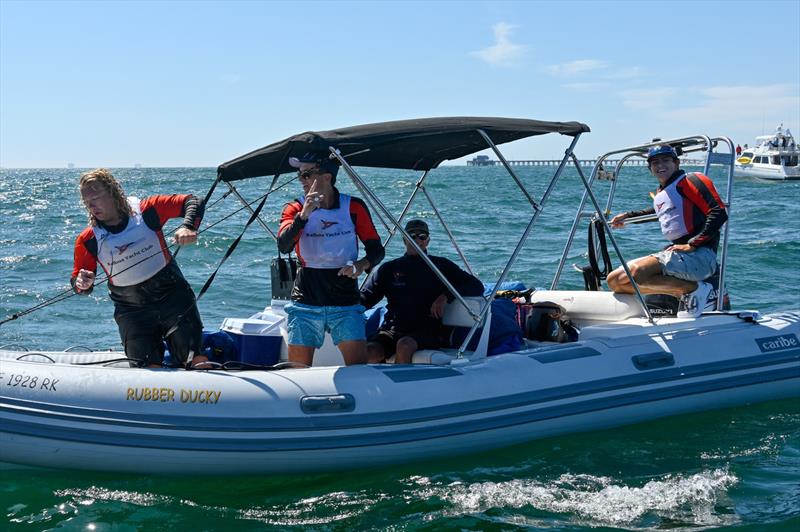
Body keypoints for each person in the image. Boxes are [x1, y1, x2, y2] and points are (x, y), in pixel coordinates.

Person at [71, 168, 207, 368]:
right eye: (86, 202)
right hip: (131, 309)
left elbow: (193, 201)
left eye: (96, 198)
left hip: (173, 297)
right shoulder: (88, 239)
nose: (91, 206)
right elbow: (78, 282)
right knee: (148, 370)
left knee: (194, 361)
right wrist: (82, 283)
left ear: (113, 192)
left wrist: (189, 226)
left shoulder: (148, 210)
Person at [277, 152, 385, 367]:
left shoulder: (353, 207)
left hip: (345, 300)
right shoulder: (295, 208)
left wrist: (361, 264)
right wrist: (304, 216)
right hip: (306, 301)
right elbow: (283, 246)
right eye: (300, 176)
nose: (302, 180)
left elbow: (376, 250)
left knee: (357, 370)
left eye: (307, 175)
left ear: (327, 176)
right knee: (298, 373)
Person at [606, 145, 728, 318]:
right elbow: (661, 211)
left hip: (701, 256)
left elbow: (719, 212)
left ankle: (698, 289)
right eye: (655, 162)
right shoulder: (664, 191)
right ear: (650, 169)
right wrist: (628, 216)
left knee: (637, 273)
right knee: (615, 281)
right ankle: (680, 293)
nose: (660, 165)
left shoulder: (691, 180)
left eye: (665, 160)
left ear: (676, 163)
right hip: (678, 254)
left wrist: (693, 244)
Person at [361, 219, 485, 364]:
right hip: (394, 328)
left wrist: (445, 296)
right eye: (412, 236)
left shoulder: (440, 266)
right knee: (369, 351)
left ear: (428, 241)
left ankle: (401, 385)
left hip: (427, 330)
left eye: (422, 236)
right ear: (404, 239)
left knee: (404, 345)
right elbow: (367, 297)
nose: (417, 240)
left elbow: (476, 285)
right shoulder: (389, 268)